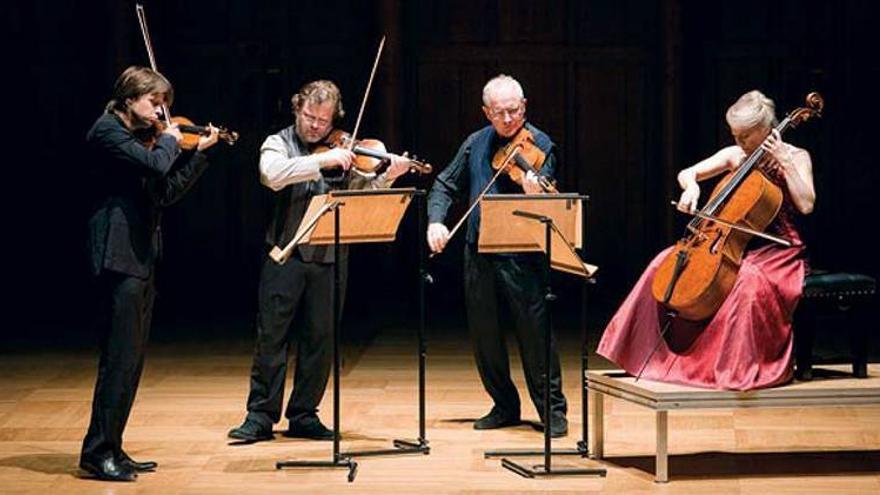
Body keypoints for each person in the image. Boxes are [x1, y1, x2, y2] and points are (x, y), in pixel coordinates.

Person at [228, 80, 411, 443]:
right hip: (286, 254)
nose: (315, 127)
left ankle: (304, 414)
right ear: (297, 109)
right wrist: (321, 160)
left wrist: (388, 175)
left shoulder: (345, 149)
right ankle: (260, 415)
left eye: (324, 122)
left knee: (320, 340)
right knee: (272, 337)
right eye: (310, 117)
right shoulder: (278, 142)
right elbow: (273, 175)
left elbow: (363, 193)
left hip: (330, 256)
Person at [598, 90, 815, 391]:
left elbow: (806, 203)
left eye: (746, 135)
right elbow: (688, 173)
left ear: (767, 129)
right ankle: (644, 356)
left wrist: (785, 163)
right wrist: (691, 189)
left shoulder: (796, 156)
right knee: (662, 263)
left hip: (776, 249)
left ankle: (733, 370)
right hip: (730, 243)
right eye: (735, 135)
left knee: (746, 281)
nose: (739, 142)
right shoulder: (736, 156)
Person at [81, 66, 219, 481]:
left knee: (131, 361)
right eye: (154, 102)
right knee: (118, 359)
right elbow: (157, 164)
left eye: (165, 104)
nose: (162, 111)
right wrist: (175, 141)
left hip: (141, 258)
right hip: (117, 256)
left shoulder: (145, 139)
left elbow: (166, 191)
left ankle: (113, 447)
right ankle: (97, 451)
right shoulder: (108, 131)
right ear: (129, 98)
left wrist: (198, 154)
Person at [426, 74, 568, 437]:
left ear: (524, 107)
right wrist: (436, 223)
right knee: (484, 336)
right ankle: (504, 405)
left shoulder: (541, 144)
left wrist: (531, 188)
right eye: (499, 112)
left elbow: (548, 191)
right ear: (486, 112)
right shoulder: (476, 143)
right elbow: (444, 184)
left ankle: (552, 410)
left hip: (522, 255)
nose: (508, 120)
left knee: (536, 335)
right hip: (479, 251)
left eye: (514, 111)